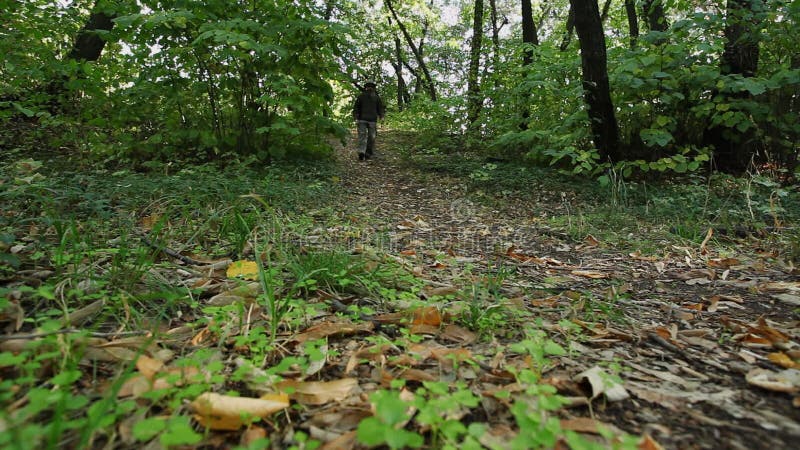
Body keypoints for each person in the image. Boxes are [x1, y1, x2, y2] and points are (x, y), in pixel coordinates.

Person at [352, 80, 385, 160]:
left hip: (368, 120)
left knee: (368, 137)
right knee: (366, 137)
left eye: (371, 86)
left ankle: (365, 153)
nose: (370, 88)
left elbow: (380, 108)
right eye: (369, 86)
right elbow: (356, 108)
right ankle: (364, 153)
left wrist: (382, 117)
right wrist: (356, 118)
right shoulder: (364, 97)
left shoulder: (374, 97)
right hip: (366, 120)